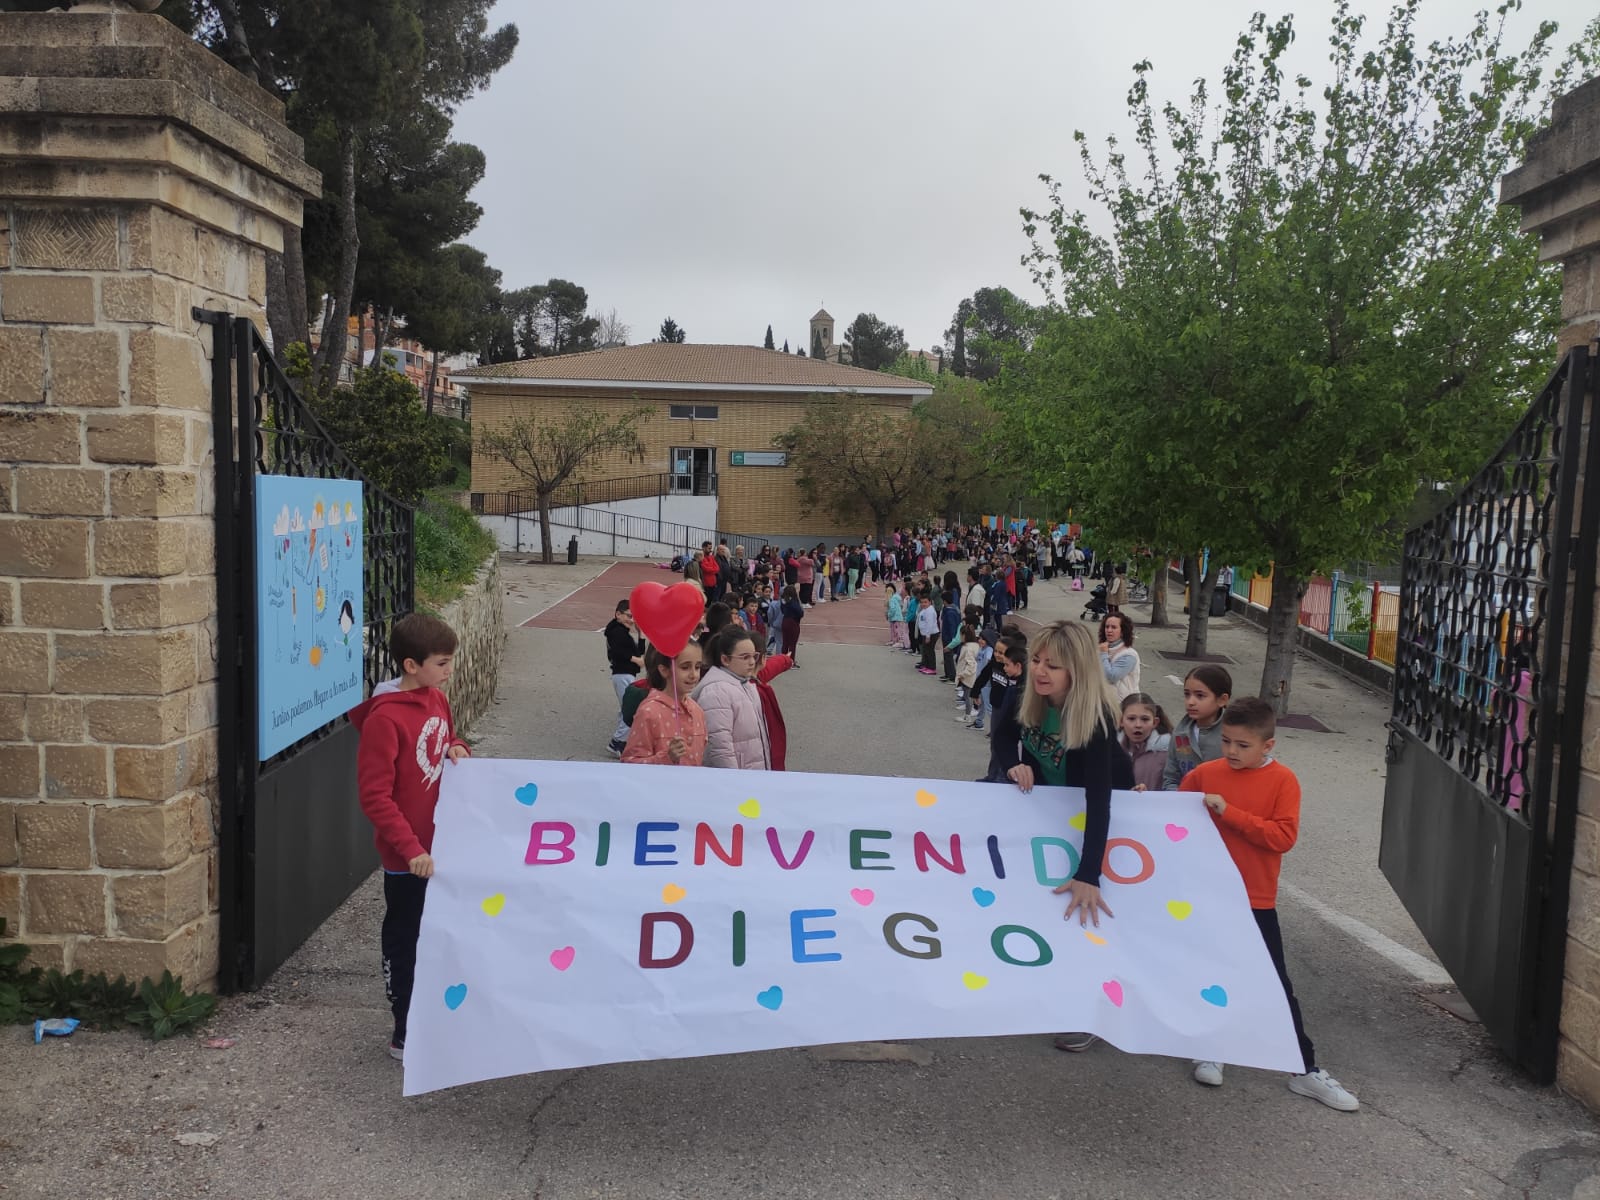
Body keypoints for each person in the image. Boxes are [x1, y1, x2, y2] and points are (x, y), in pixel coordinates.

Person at [1184, 697, 1360, 1111]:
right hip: (1207, 895)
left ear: (1269, 745)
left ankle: (1305, 1069)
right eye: (1226, 741)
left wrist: (1231, 814)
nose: (1231, 752)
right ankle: (1213, 1046)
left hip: (1255, 898)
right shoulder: (1204, 774)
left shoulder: (1284, 781)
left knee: (1275, 984)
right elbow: (1172, 816)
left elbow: (1283, 838)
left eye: (1243, 745)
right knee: (1209, 973)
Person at [993, 620, 1126, 1054]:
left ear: (1078, 670)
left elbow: (1101, 802)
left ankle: (1091, 1010)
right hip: (1049, 812)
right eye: (1035, 660)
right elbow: (1002, 737)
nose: (1040, 671)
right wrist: (1013, 765)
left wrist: (1090, 873)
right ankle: (1043, 990)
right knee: (1040, 905)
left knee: (1087, 915)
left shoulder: (1097, 720)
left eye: (1053, 665)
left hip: (1103, 817)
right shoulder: (1024, 695)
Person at [350, 613, 470, 1063]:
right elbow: (375, 797)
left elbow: (448, 738)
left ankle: (436, 1016)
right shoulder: (386, 721)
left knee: (440, 936)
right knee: (406, 938)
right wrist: (410, 848)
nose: (449, 670)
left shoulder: (436, 697)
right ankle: (404, 1025)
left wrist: (459, 747)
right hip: (410, 859)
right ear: (410, 665)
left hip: (444, 845)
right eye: (441, 662)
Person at [692, 626, 772, 770]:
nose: (752, 662)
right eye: (745, 657)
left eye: (754, 656)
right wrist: (734, 781)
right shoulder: (716, 692)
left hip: (752, 776)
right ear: (725, 659)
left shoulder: (746, 685)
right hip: (736, 782)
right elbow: (720, 748)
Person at [623, 643, 708, 766]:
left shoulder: (697, 711)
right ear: (664, 670)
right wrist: (666, 757)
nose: (693, 674)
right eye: (685, 667)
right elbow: (629, 762)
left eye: (698, 667)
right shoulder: (649, 712)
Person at [1161, 665, 1232, 789]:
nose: (1190, 702)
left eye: (1200, 696)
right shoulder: (1179, 733)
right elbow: (1171, 778)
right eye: (1187, 694)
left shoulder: (1235, 734)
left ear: (1222, 700)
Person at [603, 599, 644, 757]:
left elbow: (638, 652)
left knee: (627, 707)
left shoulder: (622, 633)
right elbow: (618, 652)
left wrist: (641, 635)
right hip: (622, 674)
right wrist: (635, 660)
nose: (631, 620)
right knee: (631, 708)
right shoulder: (616, 632)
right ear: (617, 614)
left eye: (633, 617)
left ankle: (621, 741)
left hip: (626, 674)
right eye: (628, 615)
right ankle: (618, 742)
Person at [1119, 692, 1173, 791]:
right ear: (1121, 721)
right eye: (1131, 719)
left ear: (1155, 722)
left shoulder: (1167, 750)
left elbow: (1174, 784)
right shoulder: (1111, 749)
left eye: (1145, 719)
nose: (1138, 724)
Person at [753, 647, 794, 770]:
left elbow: (770, 667)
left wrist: (785, 660)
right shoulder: (747, 685)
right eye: (744, 657)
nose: (750, 662)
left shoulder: (753, 678)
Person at [1099, 613, 1142, 700]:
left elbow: (1111, 677)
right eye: (1107, 627)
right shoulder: (1103, 648)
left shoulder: (1129, 655)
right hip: (1105, 701)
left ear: (1122, 632)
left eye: (1114, 627)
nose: (1109, 630)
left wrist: (1103, 654)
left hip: (1124, 704)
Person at [779, 585, 804, 667]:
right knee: (792, 644)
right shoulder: (793, 601)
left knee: (785, 642)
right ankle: (791, 661)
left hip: (785, 620)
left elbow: (782, 610)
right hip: (793, 622)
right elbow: (800, 612)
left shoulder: (783, 601)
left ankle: (783, 661)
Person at [915, 592, 940, 675]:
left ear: (930, 602)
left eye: (925, 602)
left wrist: (928, 636)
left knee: (930, 651)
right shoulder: (925, 610)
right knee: (926, 650)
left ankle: (932, 668)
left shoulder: (930, 611)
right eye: (922, 602)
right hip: (925, 633)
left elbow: (929, 624)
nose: (923, 604)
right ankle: (926, 665)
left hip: (931, 634)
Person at [887, 582, 909, 651]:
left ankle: (899, 642)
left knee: (897, 630)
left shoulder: (892, 599)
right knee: (895, 630)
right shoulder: (897, 598)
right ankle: (894, 641)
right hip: (897, 617)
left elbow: (892, 609)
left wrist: (889, 615)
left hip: (895, 617)